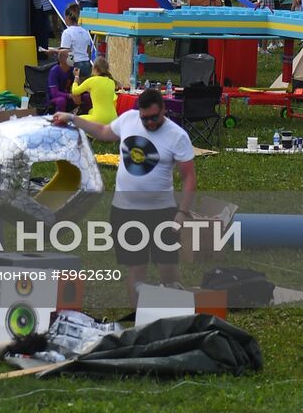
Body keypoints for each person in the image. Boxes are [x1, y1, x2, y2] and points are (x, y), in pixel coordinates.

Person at [52, 88, 196, 301]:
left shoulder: (177, 136)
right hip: (125, 211)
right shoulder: (128, 119)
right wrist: (73, 118)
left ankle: (173, 315)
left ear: (164, 109)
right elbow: (102, 131)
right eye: (145, 118)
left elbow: (189, 177)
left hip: (162, 213)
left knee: (168, 269)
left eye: (154, 117)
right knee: (136, 270)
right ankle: (139, 319)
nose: (149, 123)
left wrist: (182, 212)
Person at [57, 3, 95, 78]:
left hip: (76, 65)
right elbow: (88, 51)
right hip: (87, 64)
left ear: (67, 17)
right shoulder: (85, 31)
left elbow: (64, 53)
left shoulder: (67, 32)